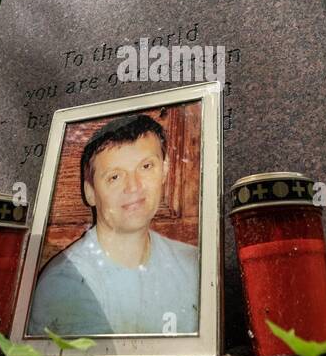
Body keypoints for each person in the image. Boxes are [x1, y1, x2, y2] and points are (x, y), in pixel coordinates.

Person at [28, 113, 199, 335]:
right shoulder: (66, 282)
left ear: (165, 170)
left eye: (146, 166)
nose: (134, 187)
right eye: (114, 177)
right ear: (90, 192)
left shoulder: (194, 264)